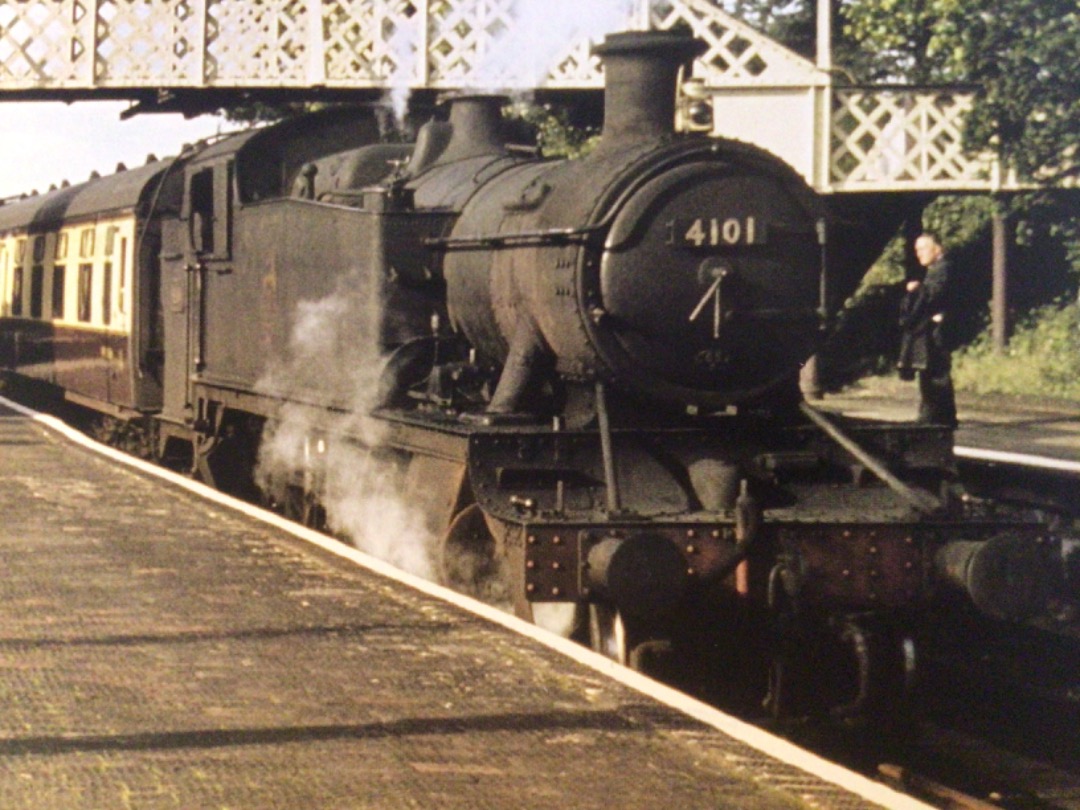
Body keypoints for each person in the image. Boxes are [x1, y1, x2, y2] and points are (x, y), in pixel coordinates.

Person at [897, 232, 958, 428]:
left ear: (937, 249)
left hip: (938, 331)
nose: (919, 254)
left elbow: (932, 297)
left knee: (935, 372)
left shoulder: (943, 269)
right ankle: (936, 415)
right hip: (936, 329)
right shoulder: (937, 270)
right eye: (917, 250)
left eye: (923, 248)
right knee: (931, 372)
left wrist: (916, 290)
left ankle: (935, 416)